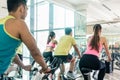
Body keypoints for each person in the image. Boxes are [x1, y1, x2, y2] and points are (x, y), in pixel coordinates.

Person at [0, 0, 50, 78]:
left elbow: (11, 52)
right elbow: (34, 51)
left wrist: (23, 66)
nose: (27, 12)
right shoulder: (19, 23)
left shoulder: (1, 22)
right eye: (27, 8)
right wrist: (45, 68)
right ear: (22, 8)